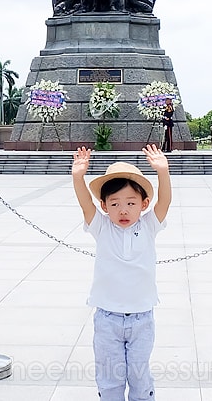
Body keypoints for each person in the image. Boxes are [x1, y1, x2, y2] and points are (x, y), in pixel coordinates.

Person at [71, 144, 172, 401]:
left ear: (144, 203)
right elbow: (85, 206)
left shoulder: (149, 224)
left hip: (141, 318)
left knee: (139, 374)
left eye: (130, 203)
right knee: (110, 376)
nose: (123, 210)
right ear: (104, 206)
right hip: (107, 318)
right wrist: (77, 176)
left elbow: (166, 202)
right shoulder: (102, 227)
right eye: (114, 203)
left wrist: (163, 172)